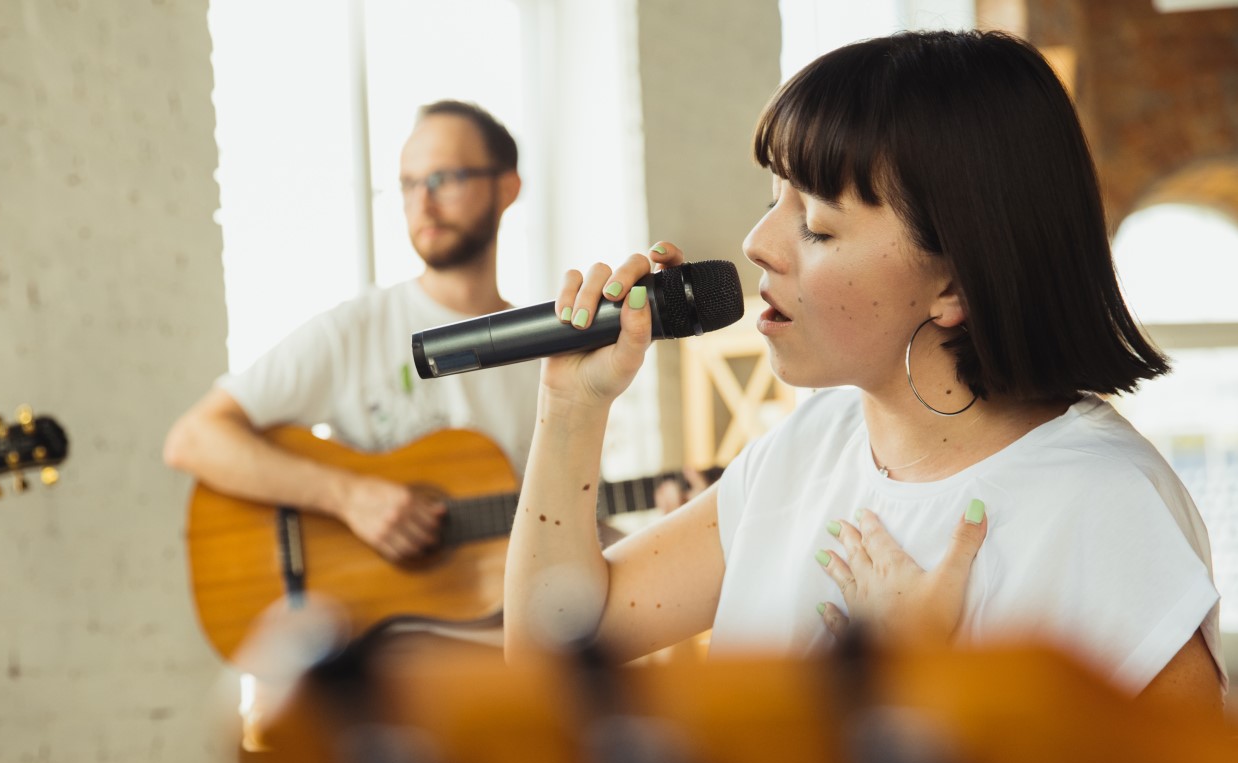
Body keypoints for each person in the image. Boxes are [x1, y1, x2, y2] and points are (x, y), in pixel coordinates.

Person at [502, 30, 1223, 713]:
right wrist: (571, 408)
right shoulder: (811, 445)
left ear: (954, 286)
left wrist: (923, 694)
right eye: (771, 199)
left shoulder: (1101, 506)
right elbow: (548, 657)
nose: (757, 243)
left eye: (816, 222)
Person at [164, 100, 542, 565]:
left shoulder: (546, 354)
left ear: (507, 187)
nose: (423, 203)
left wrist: (656, 527)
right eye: (408, 184)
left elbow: (568, 519)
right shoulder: (355, 330)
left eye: (445, 178)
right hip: (375, 624)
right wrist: (346, 496)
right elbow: (194, 438)